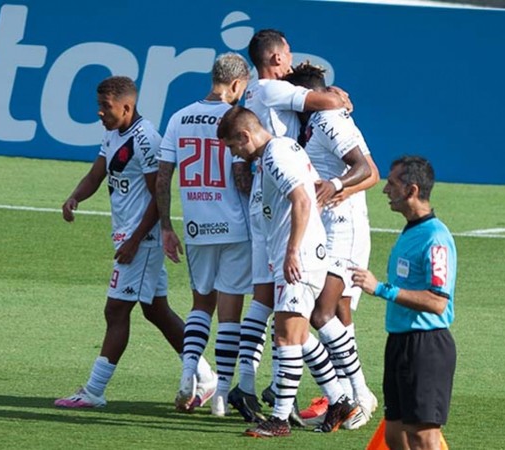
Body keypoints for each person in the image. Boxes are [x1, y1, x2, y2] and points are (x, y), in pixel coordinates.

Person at [55, 76, 214, 409]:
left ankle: (94, 391)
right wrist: (75, 197)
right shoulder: (113, 134)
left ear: (126, 106)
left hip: (142, 239)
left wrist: (135, 241)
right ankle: (205, 374)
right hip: (129, 236)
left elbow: (159, 194)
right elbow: (97, 174)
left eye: (106, 107)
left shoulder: (145, 140)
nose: (100, 112)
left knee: (115, 310)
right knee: (156, 310)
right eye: (99, 105)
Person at [229, 28, 353, 426]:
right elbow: (327, 100)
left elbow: (301, 198)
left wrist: (292, 250)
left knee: (278, 315)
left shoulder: (263, 106)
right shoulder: (270, 91)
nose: (290, 61)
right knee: (285, 322)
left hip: (281, 214)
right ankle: (336, 396)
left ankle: (269, 400)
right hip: (278, 212)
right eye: (288, 54)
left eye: (234, 146)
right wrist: (336, 94)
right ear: (277, 57)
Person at [283, 62, 380, 429]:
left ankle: (355, 392)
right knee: (336, 313)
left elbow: (367, 169)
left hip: (345, 228)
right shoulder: (314, 122)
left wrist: (337, 187)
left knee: (318, 313)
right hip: (327, 227)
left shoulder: (328, 120)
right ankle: (346, 394)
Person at [156, 53, 252, 416]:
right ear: (237, 84)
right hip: (235, 227)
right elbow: (243, 178)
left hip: (196, 227)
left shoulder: (180, 117)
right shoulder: (237, 119)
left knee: (200, 306)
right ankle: (223, 397)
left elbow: (164, 176)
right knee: (230, 314)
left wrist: (166, 226)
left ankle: (187, 376)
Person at [352, 156, 457, 450]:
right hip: (399, 342)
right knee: (395, 434)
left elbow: (438, 302)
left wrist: (382, 289)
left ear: (411, 190)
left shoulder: (435, 238)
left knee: (423, 437)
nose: (385, 190)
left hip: (426, 347)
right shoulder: (412, 230)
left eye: (392, 183)